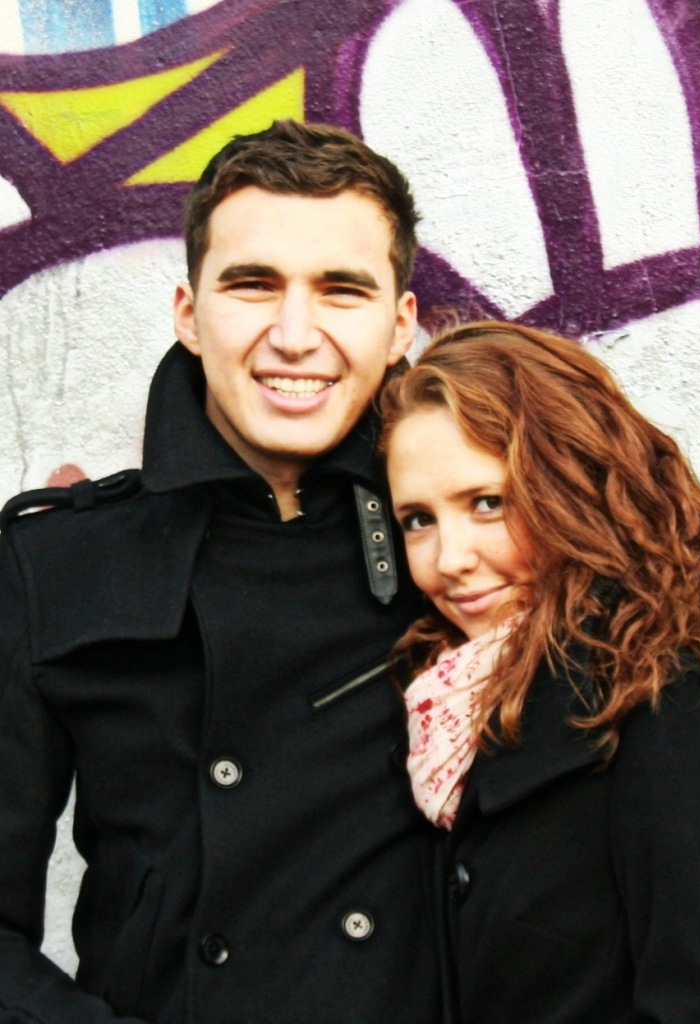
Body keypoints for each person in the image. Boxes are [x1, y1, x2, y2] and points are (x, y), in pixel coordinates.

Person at [0, 120, 441, 1023]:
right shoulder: (57, 563)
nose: (294, 335)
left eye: (341, 290)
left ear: (400, 324)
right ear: (188, 315)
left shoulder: (468, 552)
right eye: (252, 285)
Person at [380, 319, 700, 1023]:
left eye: (488, 503)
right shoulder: (458, 701)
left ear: (577, 488)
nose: (449, 559)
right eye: (418, 519)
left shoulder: (681, 693)